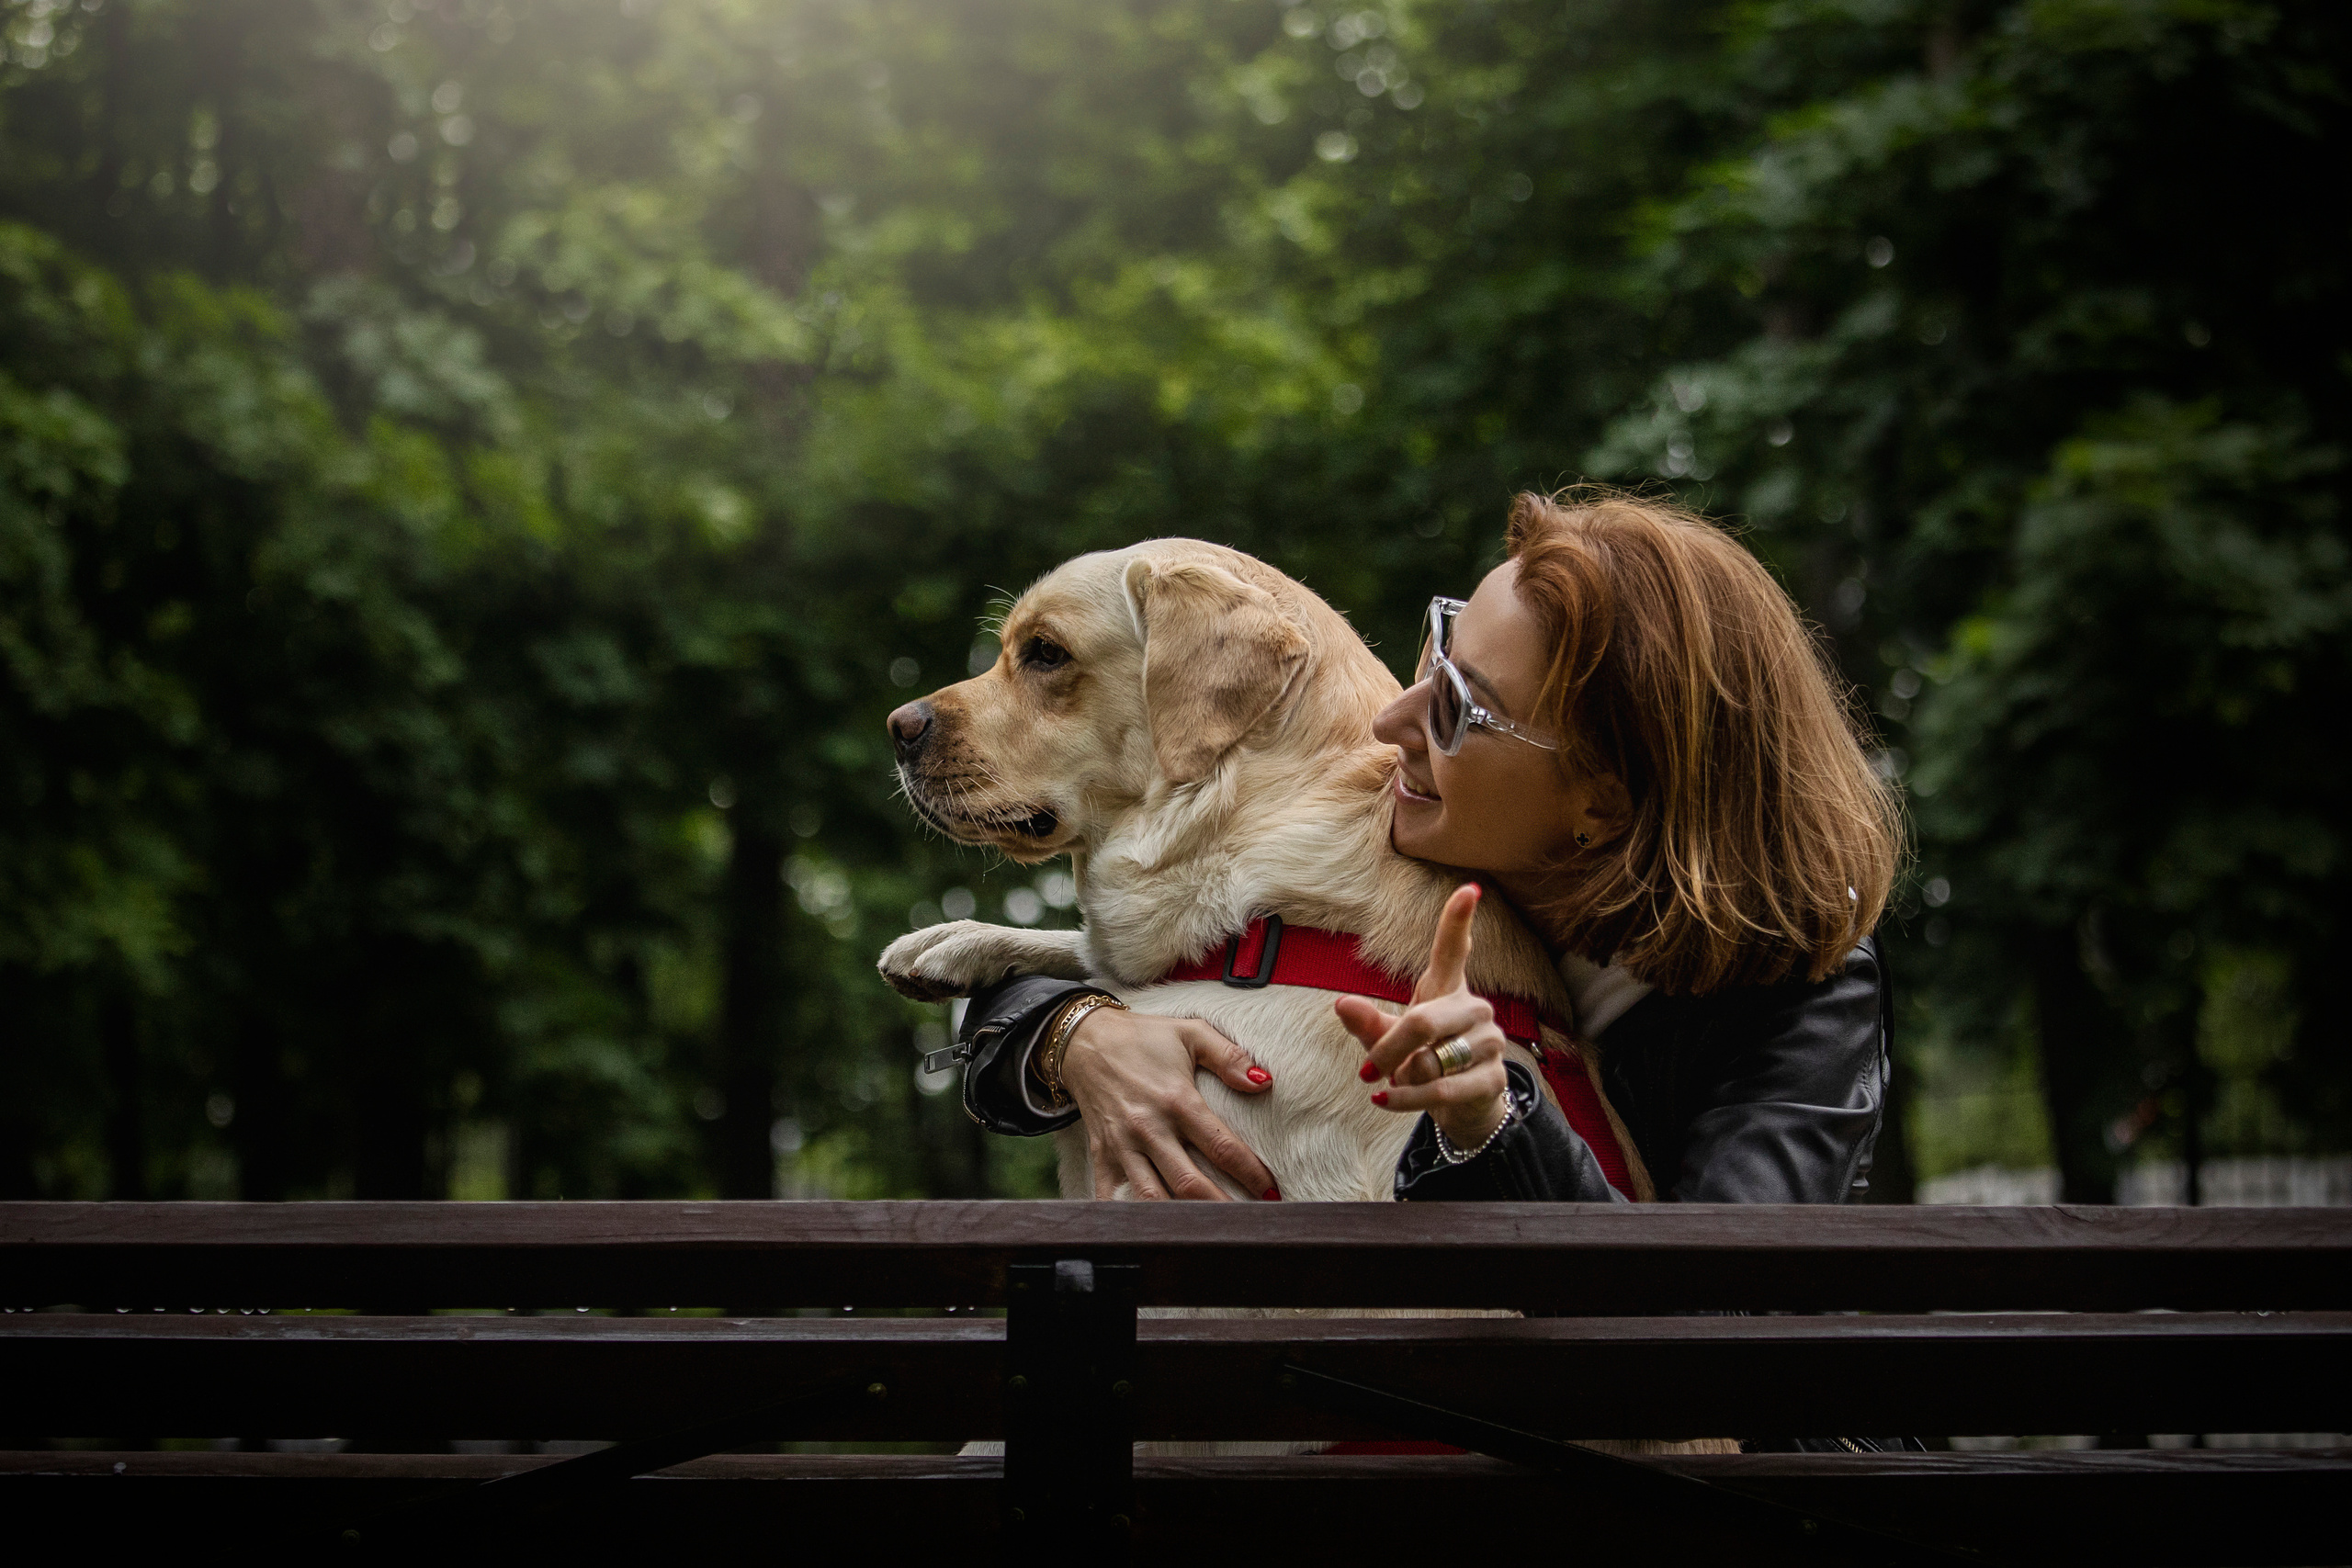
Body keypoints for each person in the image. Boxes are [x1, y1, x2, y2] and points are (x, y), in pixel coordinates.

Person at [953, 489, 1903, 1212]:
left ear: (1603, 803)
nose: (1390, 717)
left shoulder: (1803, 999)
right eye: (1435, 652)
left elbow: (1713, 1329)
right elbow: (1175, 941)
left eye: (1460, 708)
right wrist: (1076, 1034)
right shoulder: (1403, 837)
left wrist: (1495, 1122)